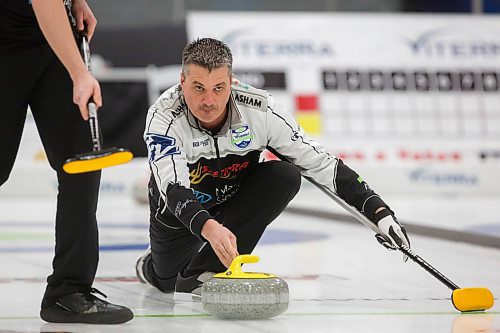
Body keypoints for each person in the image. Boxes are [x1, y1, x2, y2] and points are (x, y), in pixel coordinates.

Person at [136, 38, 411, 296]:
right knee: (167, 282)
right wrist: (208, 226)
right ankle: (151, 265)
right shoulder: (164, 117)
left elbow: (321, 163)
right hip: (179, 210)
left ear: (230, 83)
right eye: (198, 88)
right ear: (182, 81)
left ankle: (206, 272)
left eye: (218, 88)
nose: (209, 101)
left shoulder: (261, 110)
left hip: (232, 200)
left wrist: (378, 210)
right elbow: (174, 188)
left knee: (285, 175)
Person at [0, 0, 133, 324]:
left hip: (56, 39)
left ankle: (69, 291)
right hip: (6, 36)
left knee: (82, 162)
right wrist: (79, 72)